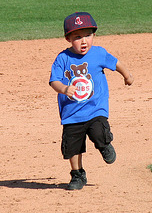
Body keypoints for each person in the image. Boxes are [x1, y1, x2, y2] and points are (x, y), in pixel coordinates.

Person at [49, 12, 133, 190]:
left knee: (99, 132)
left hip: (96, 108)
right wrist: (64, 89)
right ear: (68, 39)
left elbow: (116, 63)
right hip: (71, 113)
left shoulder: (99, 53)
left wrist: (127, 75)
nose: (84, 41)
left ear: (94, 35)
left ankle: (104, 144)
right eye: (77, 37)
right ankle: (78, 175)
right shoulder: (62, 58)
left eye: (88, 35)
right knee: (72, 147)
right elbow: (54, 81)